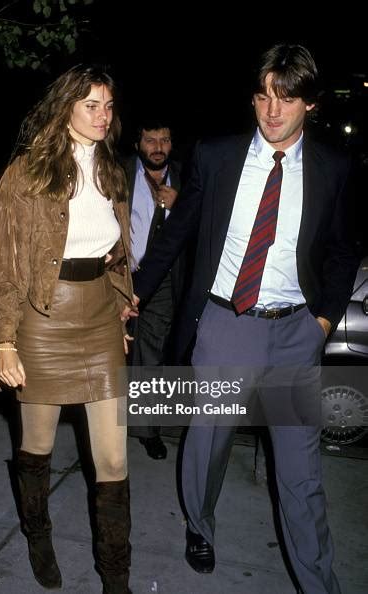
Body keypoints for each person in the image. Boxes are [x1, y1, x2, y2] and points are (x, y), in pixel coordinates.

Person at [130, 44, 359, 593]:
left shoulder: (334, 168)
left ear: (311, 104)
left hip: (294, 332)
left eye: (287, 98)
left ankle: (317, 582)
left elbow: (341, 251)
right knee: (208, 443)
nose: (272, 111)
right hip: (226, 324)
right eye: (263, 97)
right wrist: (133, 294)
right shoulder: (217, 156)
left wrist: (323, 322)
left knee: (300, 473)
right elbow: (177, 234)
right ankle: (200, 525)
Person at [0, 65, 134, 594]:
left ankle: (117, 579)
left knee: (112, 457)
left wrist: (123, 300)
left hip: (100, 317)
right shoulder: (25, 174)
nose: (102, 116)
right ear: (65, 106)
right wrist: (3, 340)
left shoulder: (111, 168)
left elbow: (118, 248)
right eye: (91, 105)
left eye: (108, 106)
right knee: (36, 445)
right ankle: (38, 535)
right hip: (41, 320)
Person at [123, 119, 183, 459]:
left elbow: (205, 224)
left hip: (161, 283)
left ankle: (146, 429)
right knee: (109, 352)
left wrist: (181, 206)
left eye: (164, 139)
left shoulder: (187, 178)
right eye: (150, 139)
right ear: (138, 143)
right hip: (118, 277)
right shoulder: (118, 172)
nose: (157, 146)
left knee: (151, 355)